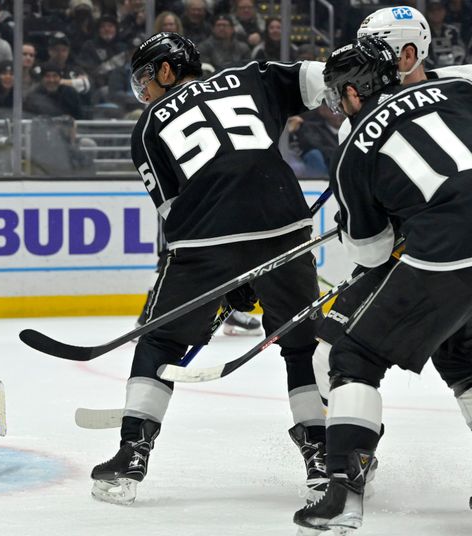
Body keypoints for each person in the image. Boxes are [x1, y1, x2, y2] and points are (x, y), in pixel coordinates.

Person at [90, 32, 327, 505]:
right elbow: (325, 78)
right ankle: (322, 459)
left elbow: (175, 218)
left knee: (159, 340)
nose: (145, 92)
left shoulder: (147, 127)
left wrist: (222, 281)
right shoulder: (251, 77)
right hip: (284, 226)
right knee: (300, 344)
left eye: (145, 79)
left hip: (206, 240)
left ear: (166, 70)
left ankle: (133, 454)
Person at [294, 35, 472, 532]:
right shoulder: (457, 89)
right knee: (462, 355)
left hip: (450, 251)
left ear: (355, 92)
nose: (333, 104)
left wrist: (401, 226)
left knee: (353, 356)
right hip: (456, 248)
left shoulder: (353, 148)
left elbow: (371, 253)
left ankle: (344, 495)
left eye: (336, 94)